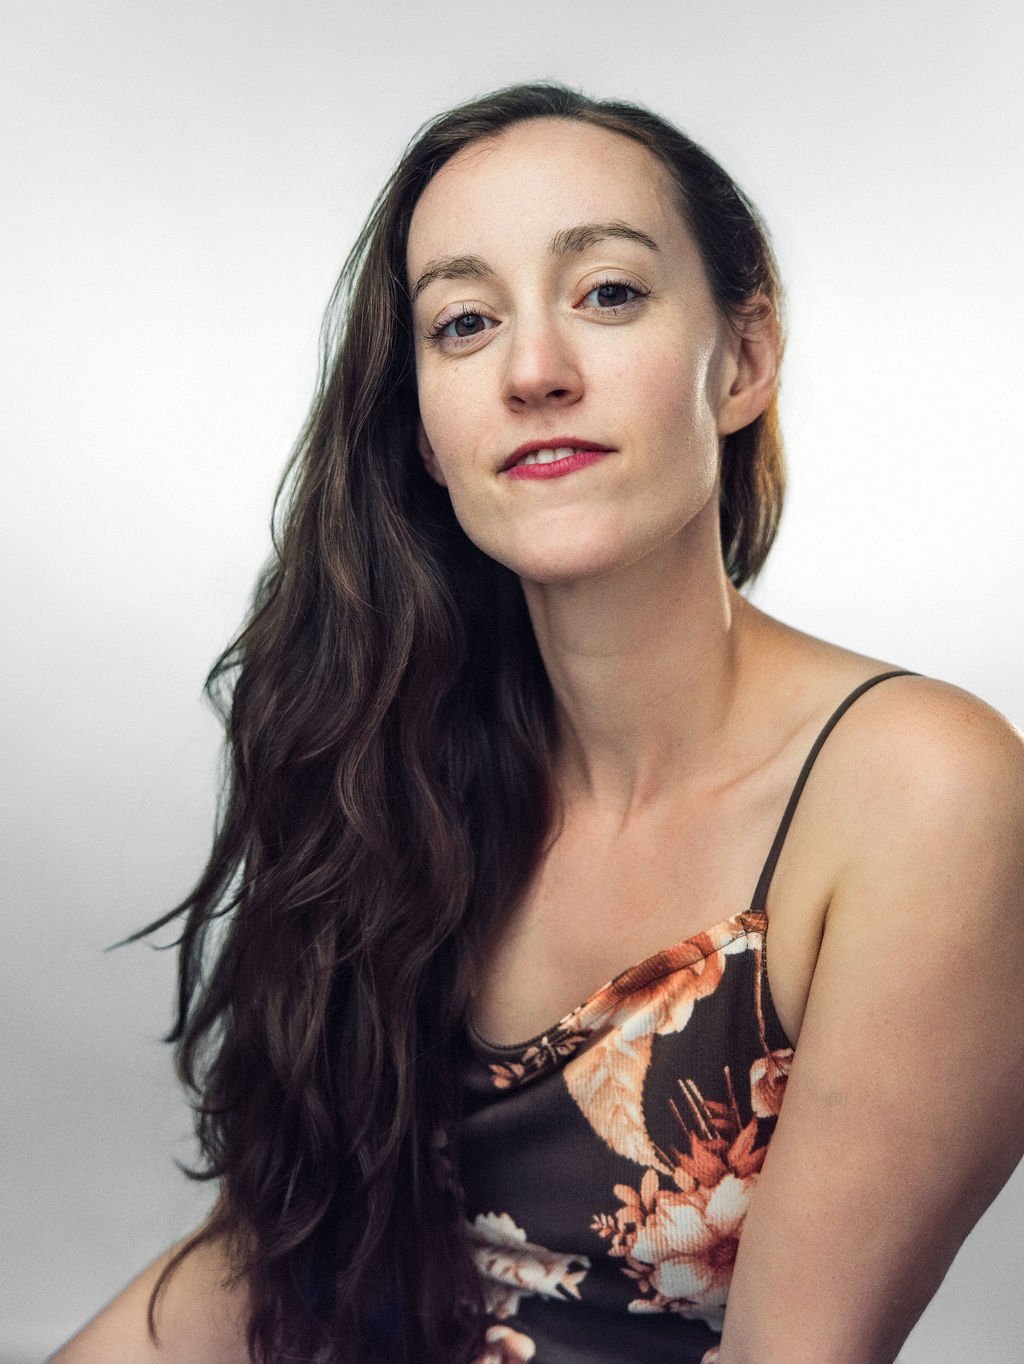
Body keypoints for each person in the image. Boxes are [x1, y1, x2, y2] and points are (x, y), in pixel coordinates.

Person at [51, 81, 1024, 1364]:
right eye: (464, 323)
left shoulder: (922, 791)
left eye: (607, 293)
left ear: (741, 363)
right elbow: (276, 1258)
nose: (533, 371)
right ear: (423, 431)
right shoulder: (398, 759)